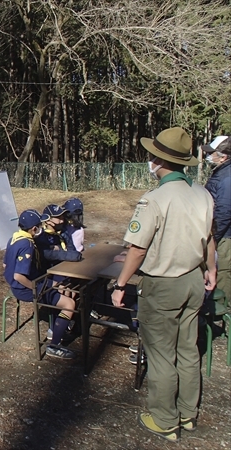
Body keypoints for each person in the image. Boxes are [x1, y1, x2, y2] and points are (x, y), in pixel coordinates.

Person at [111, 127, 217, 442]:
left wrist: (121, 284)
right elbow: (209, 238)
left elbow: (138, 249)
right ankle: (187, 413)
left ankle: (164, 419)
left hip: (163, 283)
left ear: (157, 160)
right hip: (194, 280)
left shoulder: (154, 199)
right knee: (187, 349)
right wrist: (211, 269)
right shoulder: (202, 193)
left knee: (160, 353)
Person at [35, 204, 83, 359]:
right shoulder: (41, 236)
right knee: (66, 294)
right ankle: (54, 341)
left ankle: (60, 326)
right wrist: (64, 254)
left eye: (63, 216)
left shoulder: (61, 233)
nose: (62, 219)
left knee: (79, 287)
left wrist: (62, 251)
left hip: (62, 272)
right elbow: (48, 255)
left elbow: (73, 252)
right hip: (46, 278)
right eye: (59, 217)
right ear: (47, 220)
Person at [203, 136, 231, 304]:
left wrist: (213, 237)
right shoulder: (222, 172)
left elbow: (224, 211)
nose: (209, 156)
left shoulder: (227, 178)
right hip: (222, 234)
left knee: (223, 278)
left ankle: (223, 322)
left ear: (223, 157)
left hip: (225, 237)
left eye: (212, 153)